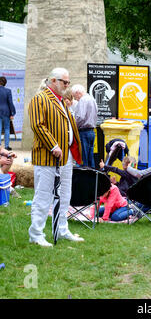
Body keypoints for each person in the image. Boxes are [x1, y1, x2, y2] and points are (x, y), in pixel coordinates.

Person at [28, 67, 83, 247]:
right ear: (53, 81)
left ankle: (62, 228)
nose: (67, 85)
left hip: (65, 155)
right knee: (43, 195)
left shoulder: (60, 101)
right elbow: (38, 125)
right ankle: (36, 233)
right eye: (64, 82)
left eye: (68, 82)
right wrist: (53, 145)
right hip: (47, 155)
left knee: (65, 194)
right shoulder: (40, 98)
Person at [71, 84, 98, 168]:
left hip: (83, 132)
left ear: (78, 92)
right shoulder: (91, 99)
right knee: (90, 158)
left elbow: (80, 117)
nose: (75, 99)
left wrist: (73, 126)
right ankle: (91, 178)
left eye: (74, 96)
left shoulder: (83, 100)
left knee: (83, 159)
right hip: (91, 132)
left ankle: (83, 178)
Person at [0, 77, 16, 151]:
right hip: (6, 112)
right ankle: (6, 146)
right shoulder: (8, 91)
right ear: (5, 83)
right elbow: (10, 103)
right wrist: (13, 112)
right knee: (7, 129)